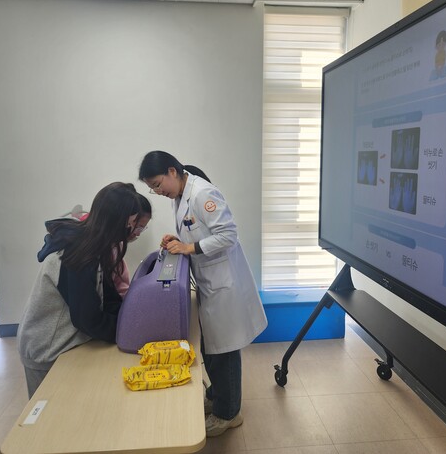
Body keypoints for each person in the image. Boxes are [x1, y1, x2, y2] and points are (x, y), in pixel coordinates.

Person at [139, 150, 267, 437]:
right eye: (152, 188)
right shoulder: (180, 195)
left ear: (172, 171)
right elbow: (197, 231)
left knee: (224, 351)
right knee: (211, 349)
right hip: (210, 283)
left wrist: (189, 247)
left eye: (157, 184)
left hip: (224, 284)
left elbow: (228, 235)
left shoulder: (202, 193)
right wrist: (178, 240)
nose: (157, 192)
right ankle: (218, 397)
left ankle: (229, 413)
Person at [17, 182, 143, 398]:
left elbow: (109, 297)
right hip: (47, 347)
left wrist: (134, 321)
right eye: (130, 223)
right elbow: (87, 318)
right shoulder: (78, 253)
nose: (131, 230)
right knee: (50, 412)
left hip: (66, 342)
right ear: (117, 221)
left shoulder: (95, 245)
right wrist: (130, 332)